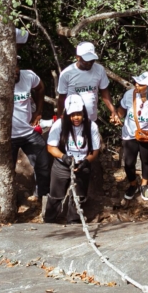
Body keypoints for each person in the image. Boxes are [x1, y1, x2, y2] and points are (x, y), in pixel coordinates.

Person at [0, 56, 50, 209]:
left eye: (16, 68)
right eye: (11, 70)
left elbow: (40, 88)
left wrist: (38, 112)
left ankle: (42, 196)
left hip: (28, 132)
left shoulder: (29, 76)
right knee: (6, 170)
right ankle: (9, 202)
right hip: (7, 137)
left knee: (43, 163)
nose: (15, 72)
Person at [45, 95, 101, 224]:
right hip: (62, 164)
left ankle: (74, 220)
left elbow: (95, 150)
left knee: (79, 196)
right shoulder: (59, 125)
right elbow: (51, 147)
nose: (76, 117)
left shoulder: (91, 126)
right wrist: (64, 157)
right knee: (55, 195)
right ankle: (49, 220)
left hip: (82, 163)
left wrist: (86, 161)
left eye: (79, 114)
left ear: (83, 113)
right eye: (72, 114)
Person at [116, 72, 148, 202]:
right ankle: (133, 184)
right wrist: (117, 116)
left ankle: (144, 185)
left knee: (146, 160)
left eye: (141, 84)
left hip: (147, 134)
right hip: (130, 134)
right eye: (136, 83)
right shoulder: (130, 94)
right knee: (129, 162)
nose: (136, 85)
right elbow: (122, 109)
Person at [56, 41, 119, 124]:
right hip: (73, 120)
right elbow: (62, 98)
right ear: (78, 57)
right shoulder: (67, 73)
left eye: (92, 60)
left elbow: (104, 91)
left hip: (91, 119)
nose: (89, 63)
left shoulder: (99, 70)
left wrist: (113, 110)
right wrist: (59, 117)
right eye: (86, 60)